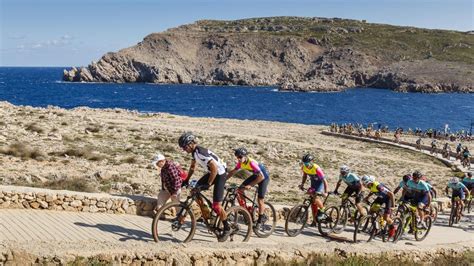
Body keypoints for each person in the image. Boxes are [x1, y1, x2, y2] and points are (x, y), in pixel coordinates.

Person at [178, 132, 231, 242]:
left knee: (217, 206)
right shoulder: (194, 153)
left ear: (191, 144)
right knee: (194, 191)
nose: (184, 149)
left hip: (220, 174)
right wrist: (186, 180)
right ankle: (207, 215)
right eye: (183, 148)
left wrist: (208, 183)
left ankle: (227, 227)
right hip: (212, 172)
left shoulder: (200, 152)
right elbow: (192, 168)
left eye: (185, 147)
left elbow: (215, 168)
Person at [226, 147, 270, 226]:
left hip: (264, 178)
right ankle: (245, 209)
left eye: (240, 157)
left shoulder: (252, 163)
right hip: (256, 176)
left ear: (245, 156)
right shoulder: (241, 163)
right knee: (240, 190)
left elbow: (261, 177)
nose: (238, 159)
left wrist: (250, 185)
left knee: (260, 200)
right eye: (237, 157)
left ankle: (260, 220)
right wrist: (223, 180)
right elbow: (233, 172)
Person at [298, 153, 329, 224]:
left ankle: (322, 210)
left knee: (316, 198)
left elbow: (325, 181)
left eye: (307, 163)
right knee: (312, 202)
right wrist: (302, 184)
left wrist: (326, 192)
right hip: (313, 183)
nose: (306, 165)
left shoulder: (317, 168)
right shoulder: (304, 167)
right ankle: (314, 221)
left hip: (320, 184)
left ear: (312, 162)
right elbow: (305, 176)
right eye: (304, 163)